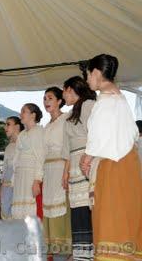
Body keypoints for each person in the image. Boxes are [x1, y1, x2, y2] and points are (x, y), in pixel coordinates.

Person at [80, 54, 142, 260]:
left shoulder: (105, 102)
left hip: (113, 168)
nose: (87, 79)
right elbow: (132, 133)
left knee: (111, 218)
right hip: (129, 165)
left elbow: (97, 136)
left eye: (88, 74)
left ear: (97, 73)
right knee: (127, 216)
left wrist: (86, 159)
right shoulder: (121, 99)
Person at [62, 76, 96, 260]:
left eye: (63, 90)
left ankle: (91, 254)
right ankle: (81, 254)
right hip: (74, 163)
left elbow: (95, 135)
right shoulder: (70, 114)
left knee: (88, 208)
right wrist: (65, 171)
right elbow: (67, 146)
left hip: (87, 160)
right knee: (78, 210)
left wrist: (88, 158)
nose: (63, 95)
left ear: (70, 89)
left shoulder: (89, 105)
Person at [42, 87, 72, 257]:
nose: (46, 101)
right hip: (48, 172)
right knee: (49, 211)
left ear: (60, 101)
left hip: (61, 169)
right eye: (45, 98)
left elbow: (69, 148)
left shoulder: (66, 119)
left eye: (50, 98)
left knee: (62, 210)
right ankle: (54, 252)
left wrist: (66, 173)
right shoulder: (46, 126)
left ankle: (64, 255)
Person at [12, 104, 45, 219]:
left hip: (30, 176)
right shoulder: (21, 134)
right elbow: (16, 158)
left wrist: (37, 180)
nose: (20, 114)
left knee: (30, 209)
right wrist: (13, 179)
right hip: (20, 177)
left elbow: (40, 157)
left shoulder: (38, 131)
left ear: (33, 115)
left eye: (24, 111)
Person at [0, 116, 24, 220]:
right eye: (5, 124)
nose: (5, 127)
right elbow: (5, 170)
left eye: (8, 124)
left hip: (19, 186)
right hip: (7, 189)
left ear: (17, 127)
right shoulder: (9, 147)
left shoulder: (24, 143)